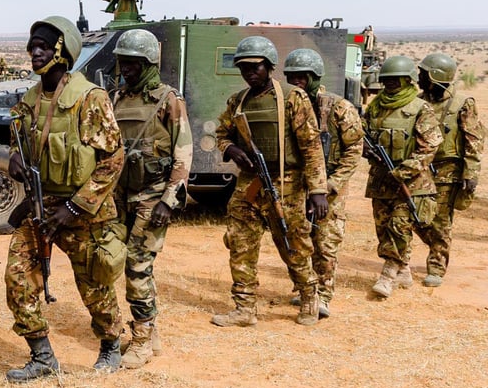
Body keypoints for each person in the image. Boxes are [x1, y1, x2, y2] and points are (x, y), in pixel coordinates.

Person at [4, 15, 126, 379]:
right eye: (32, 46)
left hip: (82, 210)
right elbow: (17, 137)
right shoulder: (29, 99)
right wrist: (13, 156)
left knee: (94, 284)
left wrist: (75, 207)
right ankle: (42, 355)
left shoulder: (89, 99)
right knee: (18, 278)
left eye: (43, 46)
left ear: (63, 50)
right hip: (41, 207)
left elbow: (113, 159)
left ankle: (111, 345)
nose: (35, 52)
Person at [210, 36, 329, 328]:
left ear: (270, 66)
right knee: (240, 243)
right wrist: (231, 149)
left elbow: (311, 146)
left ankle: (310, 296)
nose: (250, 73)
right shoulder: (238, 100)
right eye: (244, 67)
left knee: (293, 243)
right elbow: (222, 133)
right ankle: (244, 307)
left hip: (286, 183)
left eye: (256, 67)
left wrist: (317, 190)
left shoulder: (292, 98)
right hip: (249, 185)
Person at [110, 28, 191, 369]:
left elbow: (183, 154)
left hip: (152, 195)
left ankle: (141, 339)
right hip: (119, 196)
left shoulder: (168, 100)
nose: (125, 69)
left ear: (148, 64)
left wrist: (167, 201)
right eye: (122, 63)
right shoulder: (115, 100)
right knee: (114, 262)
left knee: (138, 265)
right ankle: (150, 329)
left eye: (132, 63)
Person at [282, 48, 363, 318]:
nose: (297, 83)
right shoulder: (286, 106)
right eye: (292, 77)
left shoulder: (339, 107)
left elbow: (354, 150)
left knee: (326, 242)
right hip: (297, 186)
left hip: (329, 189)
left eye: (302, 78)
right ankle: (306, 289)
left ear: (315, 76)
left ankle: (324, 295)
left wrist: (333, 183)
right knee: (299, 241)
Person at [363, 55, 441, 296]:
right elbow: (363, 135)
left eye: (396, 81)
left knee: (399, 226)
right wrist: (367, 151)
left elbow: (429, 146)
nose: (391, 86)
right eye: (387, 81)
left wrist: (402, 172)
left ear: (409, 81)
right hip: (381, 179)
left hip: (412, 182)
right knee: (383, 226)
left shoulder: (420, 109)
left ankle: (387, 275)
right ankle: (403, 270)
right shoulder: (376, 106)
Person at [411, 52, 483, 287]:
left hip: (448, 171)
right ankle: (435, 247)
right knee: (415, 217)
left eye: (423, 74)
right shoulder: (418, 102)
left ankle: (436, 266)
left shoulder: (462, 104)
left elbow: (473, 140)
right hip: (421, 169)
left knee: (441, 220)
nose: (418, 78)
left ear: (435, 76)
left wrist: (470, 173)